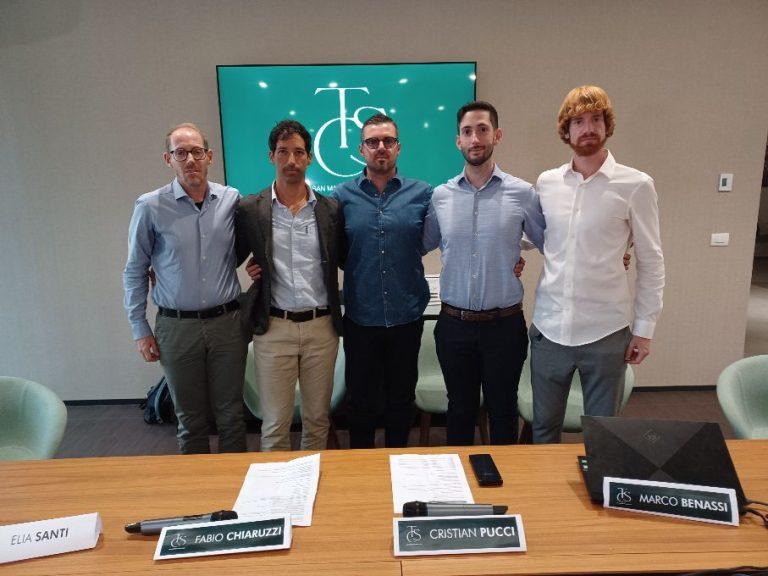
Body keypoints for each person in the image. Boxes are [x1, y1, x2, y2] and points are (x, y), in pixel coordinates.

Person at [531, 85, 665, 444]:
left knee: (604, 434)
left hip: (605, 332)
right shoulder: (547, 183)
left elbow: (651, 260)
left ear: (607, 125)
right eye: (578, 122)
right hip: (549, 329)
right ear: (566, 130)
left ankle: (600, 482)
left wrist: (645, 329)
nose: (587, 128)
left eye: (595, 119)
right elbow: (534, 236)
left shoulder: (636, 185)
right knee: (543, 429)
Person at [423, 101, 545, 445]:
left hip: (503, 326)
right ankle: (458, 478)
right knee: (459, 411)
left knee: (503, 411)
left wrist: (616, 252)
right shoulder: (440, 196)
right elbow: (418, 244)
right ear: (458, 141)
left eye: (482, 130)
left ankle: (503, 478)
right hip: (454, 325)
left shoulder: (523, 193)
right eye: (467, 131)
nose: (475, 138)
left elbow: (551, 243)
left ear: (497, 135)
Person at [123, 123, 247, 454]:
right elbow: (135, 270)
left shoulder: (231, 200)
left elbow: (243, 247)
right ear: (168, 159)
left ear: (209, 156)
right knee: (190, 420)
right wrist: (140, 329)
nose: (190, 159)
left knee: (232, 416)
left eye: (196, 152)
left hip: (227, 324)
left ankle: (236, 483)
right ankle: (199, 487)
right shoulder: (150, 206)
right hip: (176, 327)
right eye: (180, 153)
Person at [236, 119, 344, 452]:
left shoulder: (330, 210)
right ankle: (276, 487)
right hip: (274, 329)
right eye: (283, 152)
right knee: (274, 424)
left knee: (317, 421)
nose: (291, 160)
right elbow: (229, 257)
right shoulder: (250, 209)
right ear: (271, 156)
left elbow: (345, 258)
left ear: (309, 157)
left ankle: (313, 483)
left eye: (298, 152)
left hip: (321, 328)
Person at [332, 114, 432, 448]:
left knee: (401, 403)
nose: (381, 147)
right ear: (361, 149)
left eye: (388, 141)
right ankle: (362, 471)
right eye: (373, 142)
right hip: (361, 318)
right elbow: (332, 251)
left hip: (406, 317)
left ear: (398, 148)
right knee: (360, 404)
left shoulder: (422, 193)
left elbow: (445, 239)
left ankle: (397, 465)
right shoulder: (340, 197)